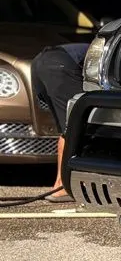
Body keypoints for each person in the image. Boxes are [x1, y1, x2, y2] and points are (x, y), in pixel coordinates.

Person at [31, 43, 88, 202]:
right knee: (79, 124)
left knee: (67, 128)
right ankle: (64, 185)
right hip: (59, 65)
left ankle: (60, 184)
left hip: (39, 63)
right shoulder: (112, 49)